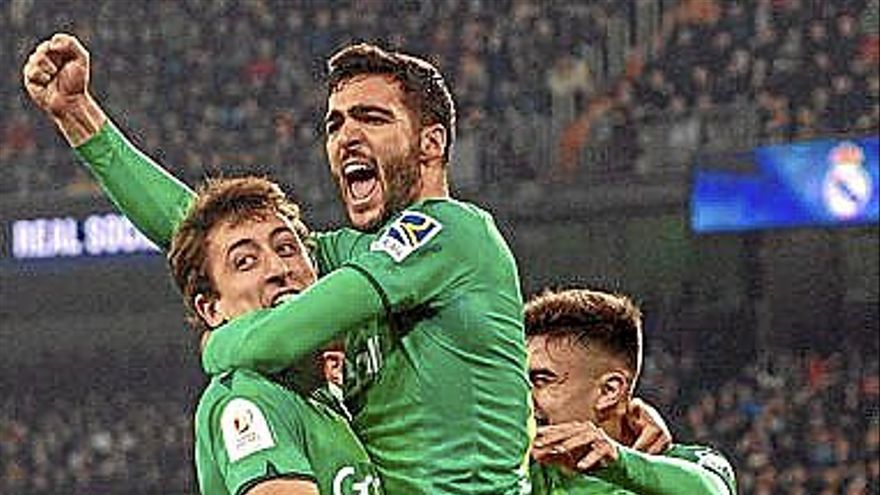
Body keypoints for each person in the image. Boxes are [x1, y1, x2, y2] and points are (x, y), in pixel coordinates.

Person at [24, 34, 531, 493]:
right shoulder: (353, 257)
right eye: (335, 124)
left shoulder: (451, 232)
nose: (347, 136)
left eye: (372, 118)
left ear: (431, 143)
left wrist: (219, 341)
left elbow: (279, 337)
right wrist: (79, 117)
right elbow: (208, 234)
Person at [168, 176, 382, 494]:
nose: (278, 269)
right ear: (211, 309)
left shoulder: (328, 396)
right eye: (245, 262)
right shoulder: (248, 395)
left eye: (286, 248)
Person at [524, 288, 738, 494]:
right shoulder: (521, 470)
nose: (525, 396)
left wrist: (621, 462)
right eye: (521, 380)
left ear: (609, 391)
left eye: (542, 380)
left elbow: (714, 490)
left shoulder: (683, 465)